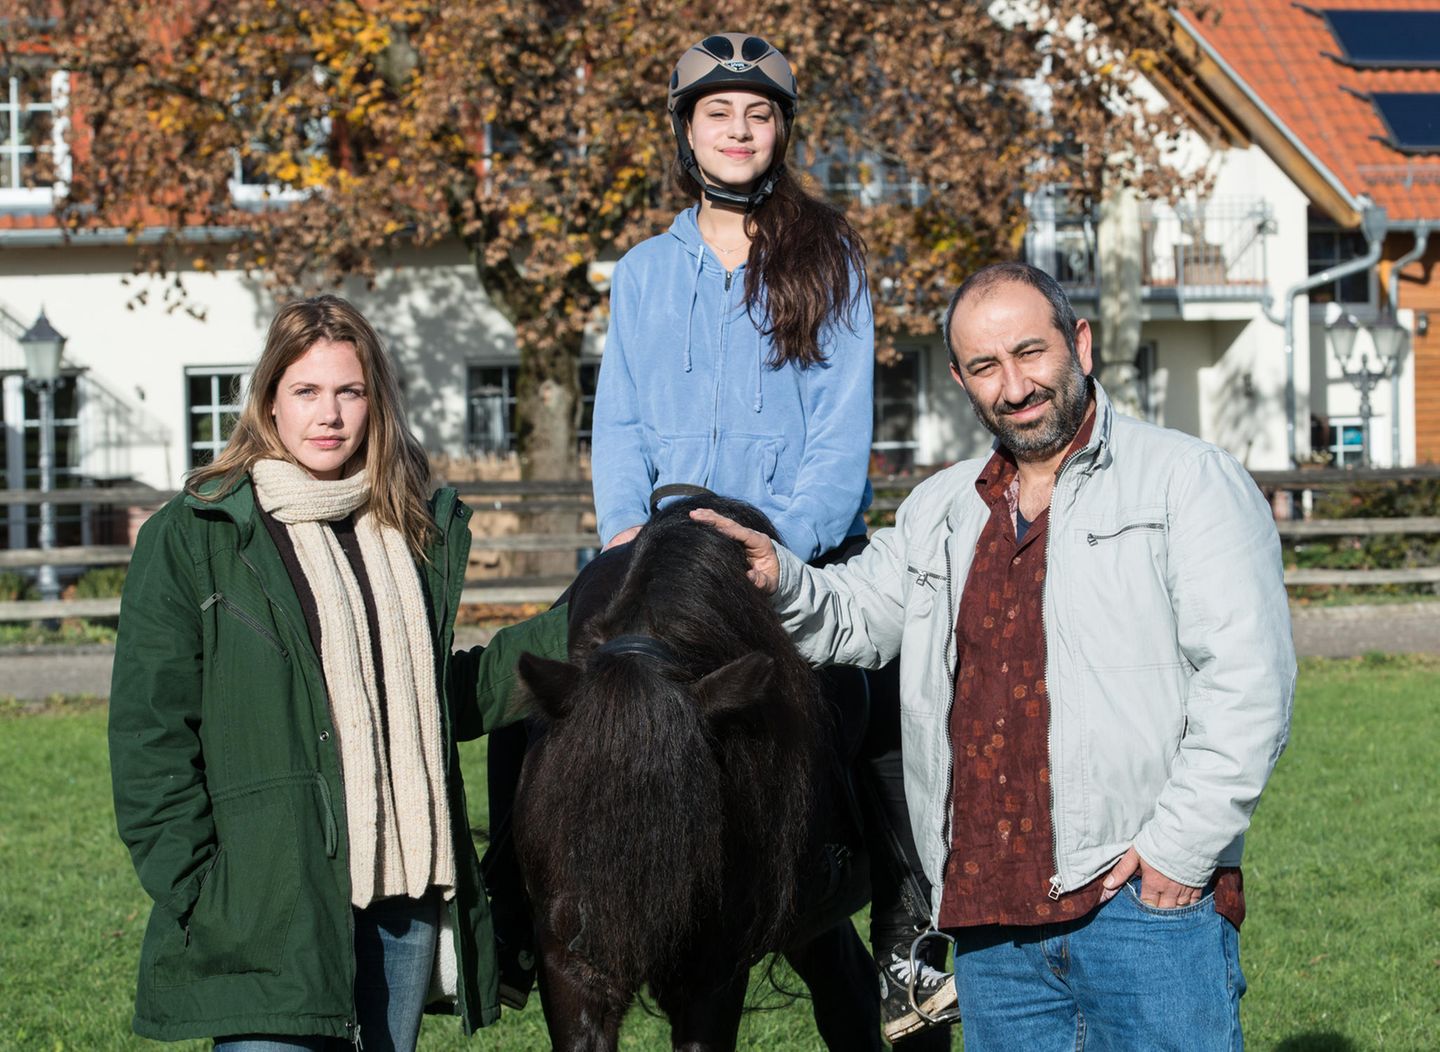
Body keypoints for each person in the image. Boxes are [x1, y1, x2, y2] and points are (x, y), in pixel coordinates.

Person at [485, 31, 956, 1048]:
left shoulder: (830, 260)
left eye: (758, 114)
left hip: (786, 549)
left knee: (889, 701)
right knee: (535, 689)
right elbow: (619, 417)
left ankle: (907, 936)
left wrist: (778, 542)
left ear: (780, 131)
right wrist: (623, 535)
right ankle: (514, 916)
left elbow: (839, 437)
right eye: (718, 113)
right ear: (687, 131)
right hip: (654, 550)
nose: (739, 130)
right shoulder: (643, 272)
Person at [693, 261, 1297, 1051]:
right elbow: (855, 617)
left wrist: (1177, 857)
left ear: (1080, 343)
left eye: (1030, 352)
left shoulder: (1187, 481)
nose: (1014, 387)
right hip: (990, 929)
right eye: (985, 366)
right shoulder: (940, 508)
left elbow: (1249, 686)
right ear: (960, 380)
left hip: (1139, 910)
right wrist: (779, 578)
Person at [108, 295, 567, 1051]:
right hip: (267, 905)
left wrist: (586, 618)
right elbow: (149, 733)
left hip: (402, 896)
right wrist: (198, 889)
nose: (329, 415)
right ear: (269, 401)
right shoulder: (197, 534)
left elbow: (432, 701)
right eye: (307, 391)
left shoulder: (403, 528)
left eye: (349, 391)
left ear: (375, 400)